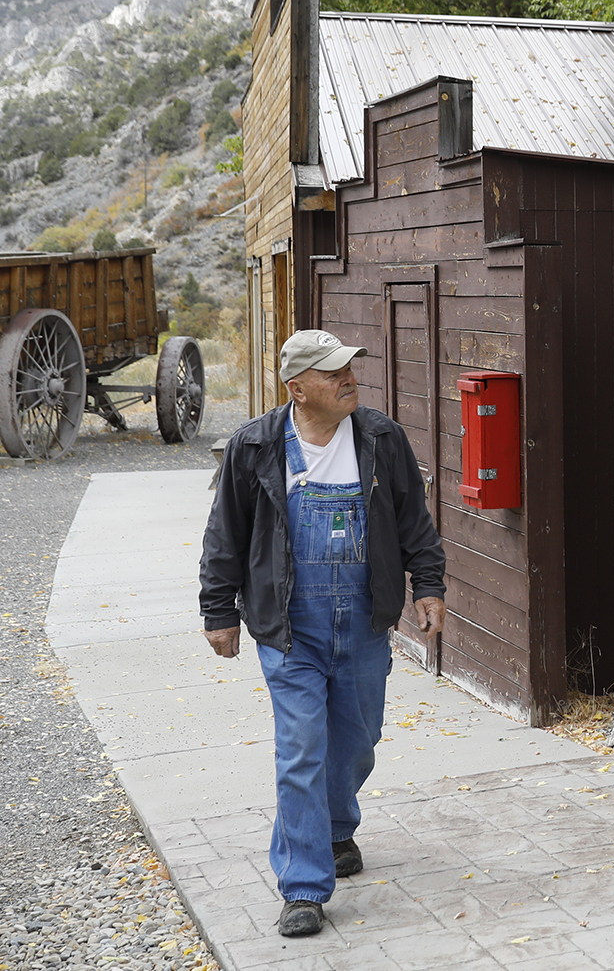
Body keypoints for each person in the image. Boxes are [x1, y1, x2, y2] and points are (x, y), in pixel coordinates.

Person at [198, 328, 446, 938]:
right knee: (302, 748)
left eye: (349, 369)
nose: (348, 379)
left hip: (364, 621)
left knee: (358, 739)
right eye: (333, 372)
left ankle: (336, 829)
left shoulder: (381, 438)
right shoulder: (255, 446)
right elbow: (225, 533)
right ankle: (303, 887)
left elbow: (414, 518)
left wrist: (430, 584)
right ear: (297, 388)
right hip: (291, 627)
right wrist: (218, 610)